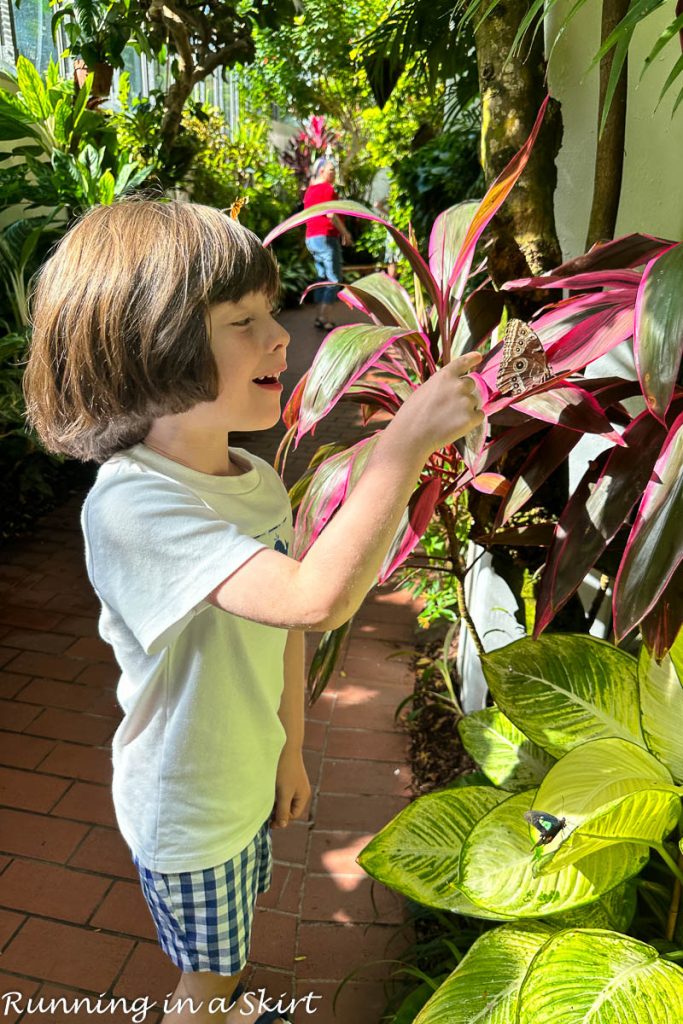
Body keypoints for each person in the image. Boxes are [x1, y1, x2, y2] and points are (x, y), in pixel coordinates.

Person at [22, 198, 483, 1024]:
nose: (280, 336)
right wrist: (402, 445)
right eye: (242, 320)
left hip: (244, 780)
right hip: (190, 809)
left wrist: (292, 752)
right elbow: (320, 597)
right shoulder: (132, 507)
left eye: (271, 313)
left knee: (227, 960)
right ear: (151, 352)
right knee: (207, 981)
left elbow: (288, 628)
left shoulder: (253, 477)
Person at [302, 158, 352, 330]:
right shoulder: (327, 189)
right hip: (326, 237)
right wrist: (345, 233)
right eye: (331, 170)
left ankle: (319, 316)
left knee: (322, 278)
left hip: (311, 238)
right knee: (334, 279)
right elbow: (331, 215)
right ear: (321, 171)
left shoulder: (309, 191)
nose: (334, 173)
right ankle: (324, 318)